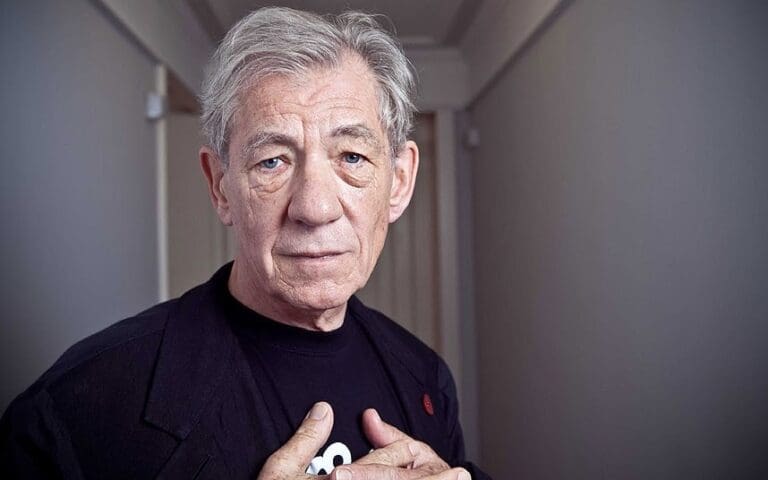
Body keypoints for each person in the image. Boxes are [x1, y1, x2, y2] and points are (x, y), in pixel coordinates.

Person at [0, 7, 490, 479]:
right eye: (272, 161)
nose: (315, 207)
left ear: (399, 182)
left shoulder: (425, 376)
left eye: (352, 157)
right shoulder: (78, 408)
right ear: (220, 187)